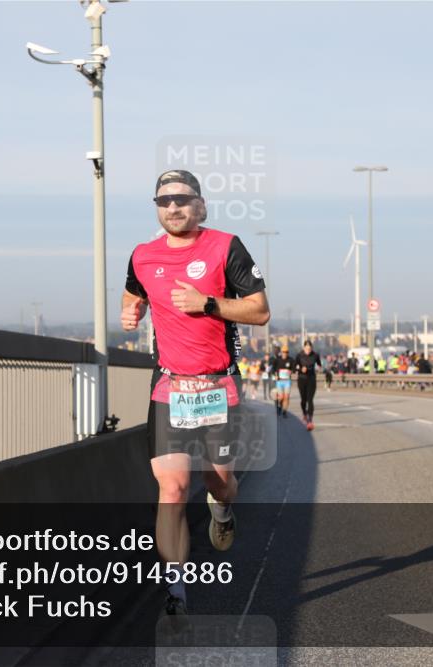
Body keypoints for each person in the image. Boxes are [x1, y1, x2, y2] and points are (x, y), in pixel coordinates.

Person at [122, 169, 270, 618]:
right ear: (156, 207)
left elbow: (260, 311)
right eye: (164, 201)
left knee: (219, 483)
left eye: (182, 199)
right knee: (172, 487)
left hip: (217, 384)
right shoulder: (142, 255)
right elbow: (133, 296)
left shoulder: (226, 246)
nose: (173, 207)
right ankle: (176, 591)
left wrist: (208, 304)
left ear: (200, 205)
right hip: (170, 385)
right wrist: (132, 314)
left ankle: (222, 511)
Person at [295, 339, 322, 430]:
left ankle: (310, 421)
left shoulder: (315, 355)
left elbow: (319, 364)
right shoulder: (299, 355)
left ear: (312, 348)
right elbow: (295, 367)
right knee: (303, 400)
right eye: (306, 349)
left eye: (309, 349)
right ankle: (304, 413)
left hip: (311, 379)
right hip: (302, 379)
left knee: (310, 400)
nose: (308, 351)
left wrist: (319, 368)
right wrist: (300, 370)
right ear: (304, 348)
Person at [272, 345, 296, 418]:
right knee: (281, 397)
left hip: (287, 381)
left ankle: (284, 411)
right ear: (281, 352)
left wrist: (291, 371)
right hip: (279, 381)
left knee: (286, 397)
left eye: (286, 352)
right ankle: (279, 406)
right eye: (283, 352)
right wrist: (275, 375)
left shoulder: (291, 360)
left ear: (288, 353)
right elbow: (273, 369)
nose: (285, 353)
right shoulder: (277, 360)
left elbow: (294, 369)